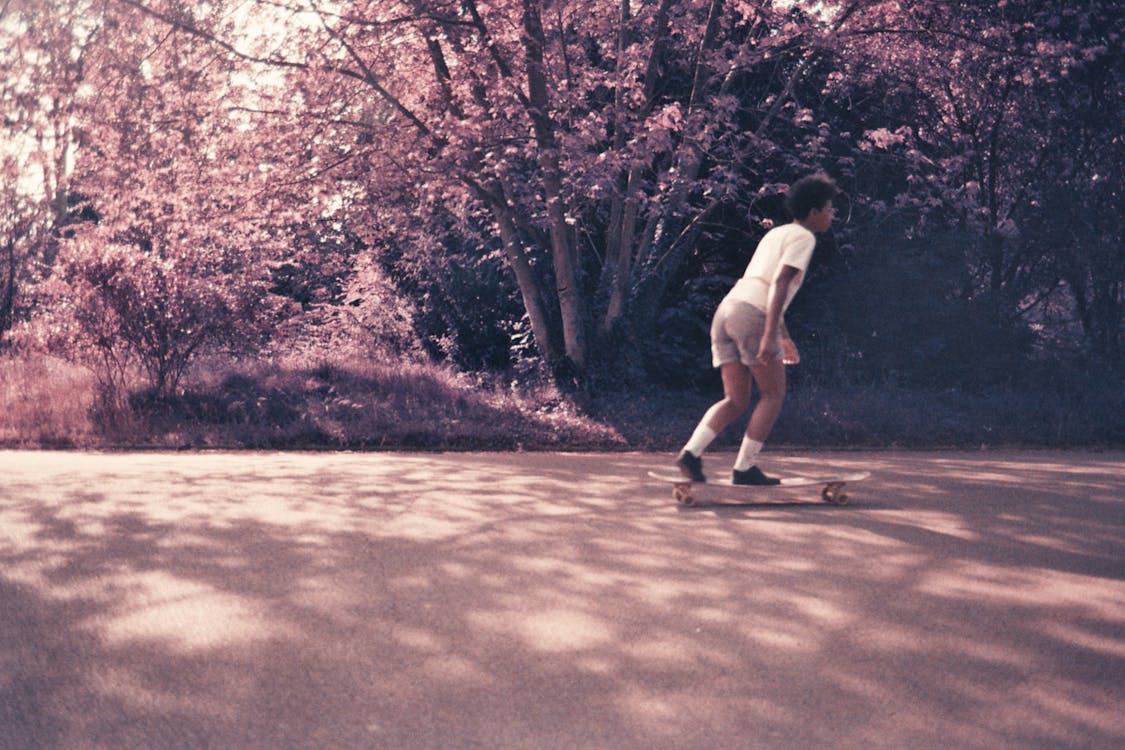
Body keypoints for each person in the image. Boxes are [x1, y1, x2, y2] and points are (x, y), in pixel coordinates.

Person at [676, 173, 837, 484]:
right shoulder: (805, 237)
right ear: (814, 211)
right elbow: (777, 284)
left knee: (735, 399)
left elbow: (766, 286)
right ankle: (744, 468)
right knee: (773, 394)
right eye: (829, 209)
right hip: (753, 317)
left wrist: (784, 336)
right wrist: (769, 335)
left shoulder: (776, 234)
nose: (832, 216)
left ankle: (690, 455)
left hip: (728, 311)